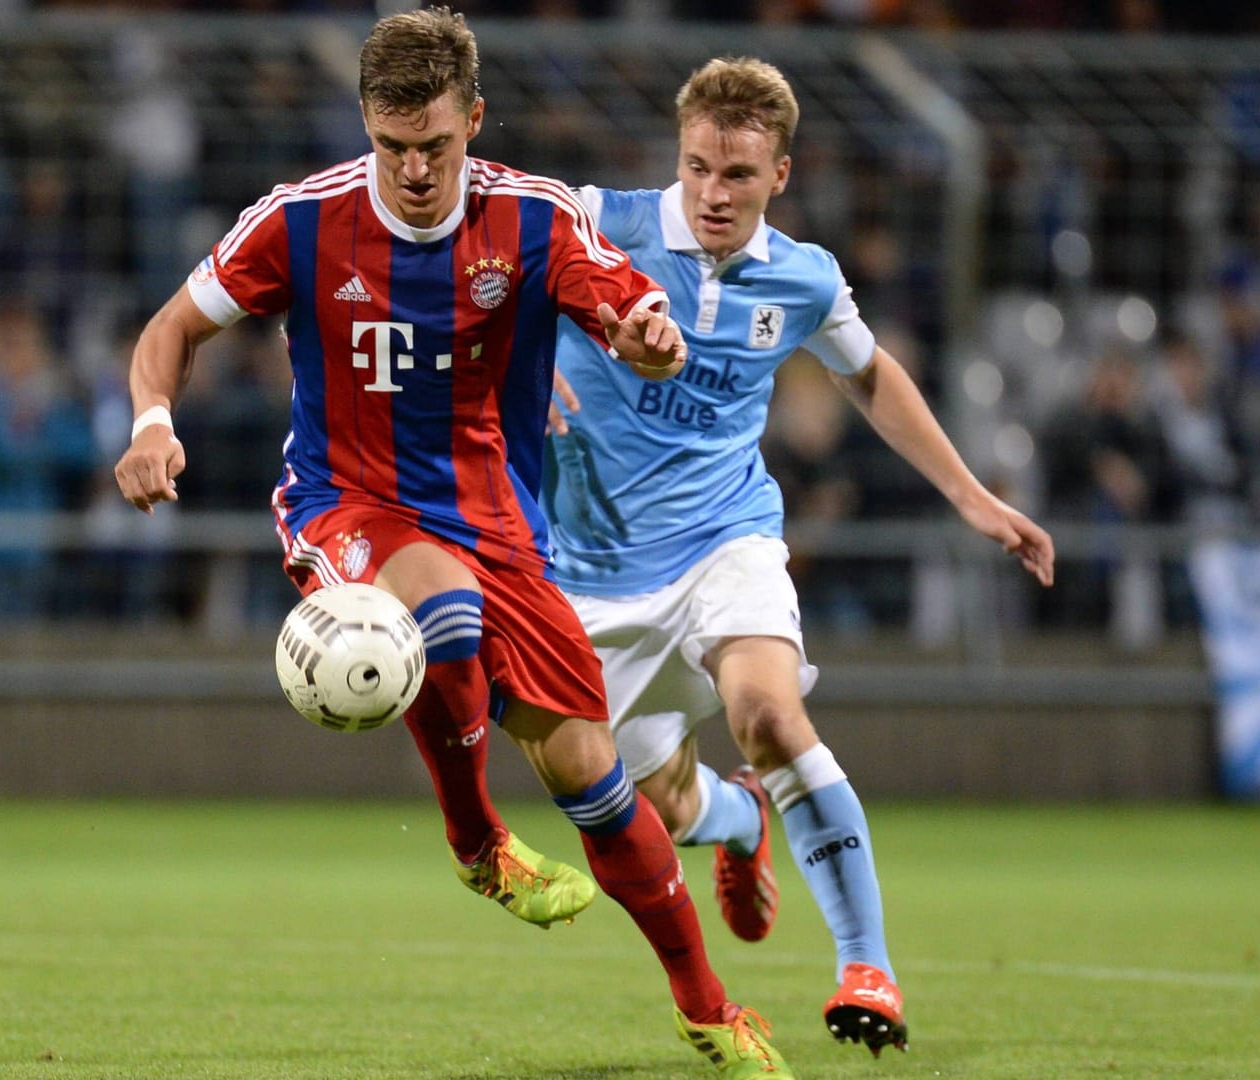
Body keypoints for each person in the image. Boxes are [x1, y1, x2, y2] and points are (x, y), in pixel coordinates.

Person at [114, 10, 793, 1077]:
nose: (417, 169)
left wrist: (651, 340)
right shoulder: (300, 221)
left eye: (437, 144)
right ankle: (476, 843)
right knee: (442, 613)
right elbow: (170, 333)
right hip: (348, 504)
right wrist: (153, 423)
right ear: (366, 128)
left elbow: (633, 318)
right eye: (394, 147)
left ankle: (706, 1005)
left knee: (595, 781)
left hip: (499, 525)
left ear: (475, 118)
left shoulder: (535, 217)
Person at [542, 57, 1056, 1057]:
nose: (712, 193)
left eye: (736, 174)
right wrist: (519, 377)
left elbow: (872, 378)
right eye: (696, 167)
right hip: (588, 579)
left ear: (781, 172)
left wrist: (973, 496)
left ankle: (869, 965)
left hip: (724, 540)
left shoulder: (805, 277)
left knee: (770, 713)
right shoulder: (597, 222)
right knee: (664, 804)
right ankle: (737, 821)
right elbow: (483, 269)